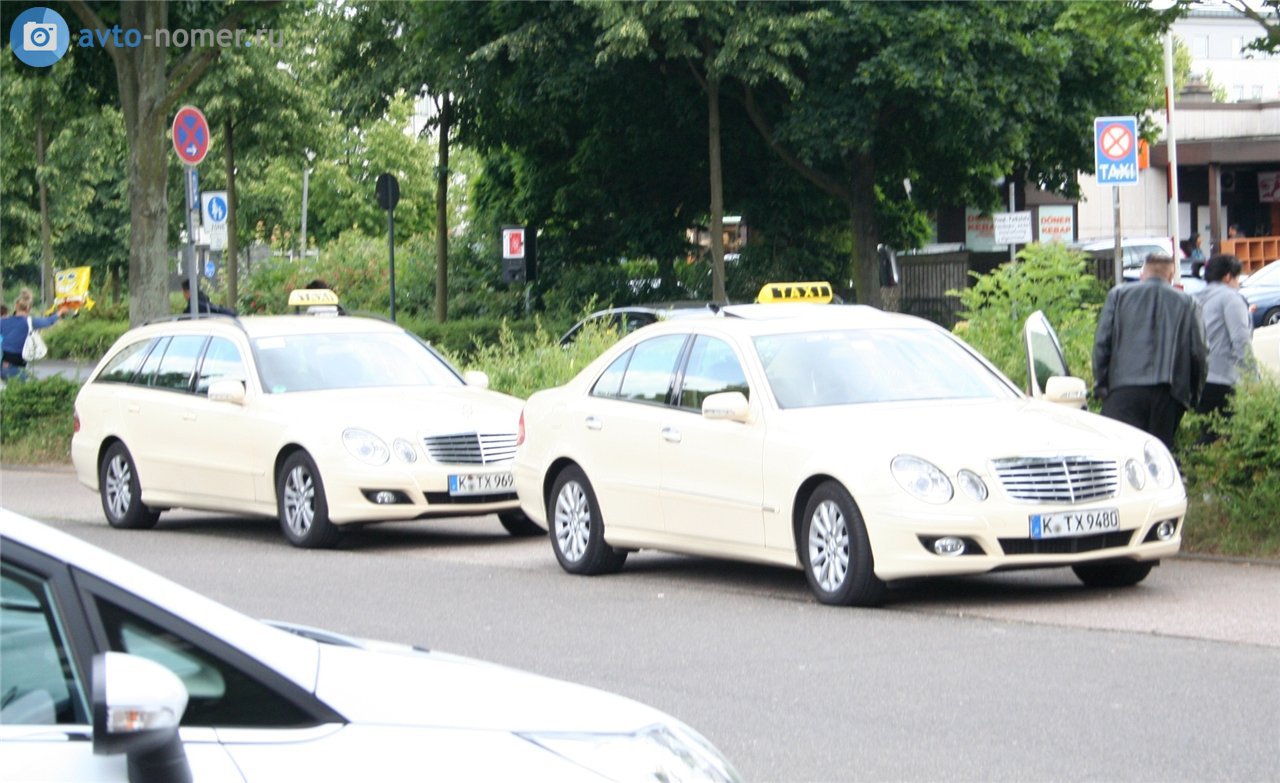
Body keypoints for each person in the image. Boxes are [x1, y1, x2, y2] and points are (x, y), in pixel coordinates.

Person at [1092, 253, 1208, 452]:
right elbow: (1199, 353)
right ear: (1171, 275)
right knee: (1156, 459)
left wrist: (1101, 385)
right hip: (1169, 393)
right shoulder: (1189, 303)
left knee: (1119, 455)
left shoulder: (1118, 295)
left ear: (1142, 273)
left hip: (1123, 389)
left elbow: (1102, 343)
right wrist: (1192, 396)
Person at [1193, 254, 1252, 418]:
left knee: (1207, 434)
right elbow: (1241, 339)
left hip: (1196, 379)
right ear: (1228, 277)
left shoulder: (1195, 298)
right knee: (1224, 435)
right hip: (1223, 377)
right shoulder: (1231, 299)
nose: (1238, 283)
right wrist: (1252, 377)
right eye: (1237, 278)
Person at [1, 288, 68, 381]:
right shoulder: (30, 322)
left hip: (4, 366)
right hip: (17, 367)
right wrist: (60, 312)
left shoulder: (4, 322)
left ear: (16, 306)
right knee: (29, 389)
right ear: (29, 308)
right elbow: (48, 321)